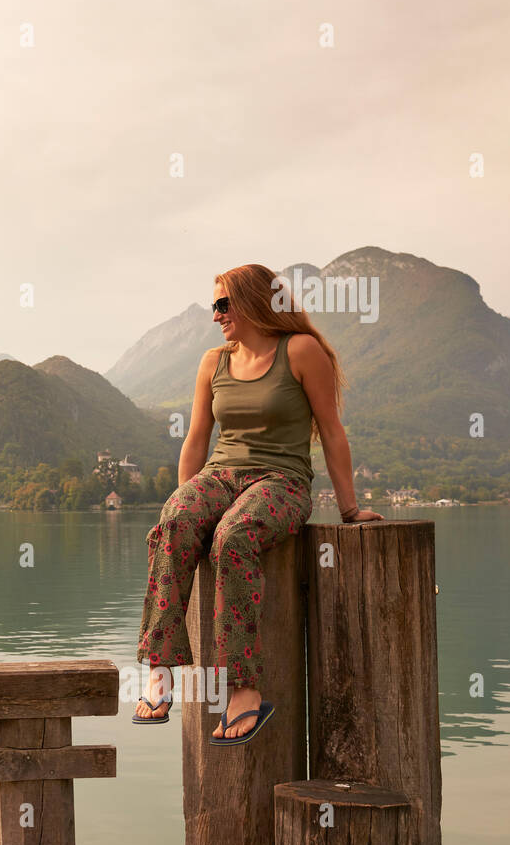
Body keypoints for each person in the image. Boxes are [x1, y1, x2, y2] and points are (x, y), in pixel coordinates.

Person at [132, 263, 383, 740]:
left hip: (282, 480)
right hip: (220, 474)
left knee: (234, 535)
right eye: (214, 307)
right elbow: (196, 440)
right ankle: (161, 673)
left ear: (252, 301)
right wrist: (186, 502)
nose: (216, 316)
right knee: (174, 521)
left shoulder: (302, 351)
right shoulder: (214, 361)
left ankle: (244, 689)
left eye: (223, 305)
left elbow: (331, 430)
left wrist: (350, 508)